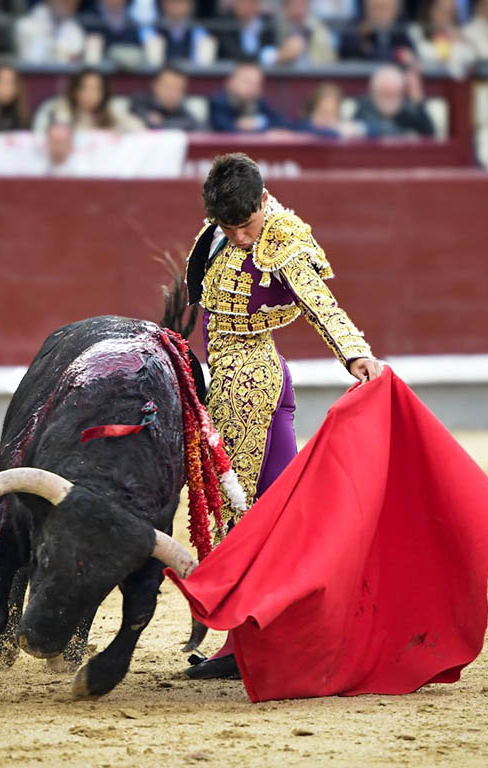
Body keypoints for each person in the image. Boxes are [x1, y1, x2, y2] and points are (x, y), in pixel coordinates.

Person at [181, 153, 385, 679]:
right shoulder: (217, 233)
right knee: (279, 517)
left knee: (239, 516)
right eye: (229, 226)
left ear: (263, 202)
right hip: (244, 378)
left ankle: (239, 648)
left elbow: (322, 302)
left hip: (247, 384)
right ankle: (284, 637)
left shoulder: (284, 240)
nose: (241, 237)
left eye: (245, 225)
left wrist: (355, 353)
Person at [32, 68, 144, 132]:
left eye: (96, 89)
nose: (90, 94)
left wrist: (119, 115)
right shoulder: (59, 109)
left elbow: (140, 132)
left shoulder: (113, 110)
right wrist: (63, 113)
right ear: (75, 91)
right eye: (85, 88)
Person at [354, 64, 435, 138]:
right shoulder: (365, 107)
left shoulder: (410, 110)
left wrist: (418, 105)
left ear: (401, 92)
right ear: (374, 92)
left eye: (394, 93)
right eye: (384, 93)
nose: (389, 98)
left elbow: (430, 136)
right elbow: (359, 130)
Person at [208, 59, 288, 133]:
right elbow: (227, 131)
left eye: (257, 84)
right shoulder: (219, 102)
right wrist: (264, 131)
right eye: (247, 82)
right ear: (230, 82)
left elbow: (282, 123)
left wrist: (257, 123)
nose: (252, 88)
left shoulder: (258, 101)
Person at [128, 65, 203, 130]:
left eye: (178, 88)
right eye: (168, 87)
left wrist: (162, 123)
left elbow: (198, 127)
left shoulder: (184, 112)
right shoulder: (139, 103)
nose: (172, 93)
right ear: (155, 85)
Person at [338, 0, 416, 63]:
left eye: (386, 8)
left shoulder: (400, 28)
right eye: (376, 8)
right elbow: (348, 50)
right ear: (366, 8)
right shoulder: (356, 27)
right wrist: (397, 54)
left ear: (396, 10)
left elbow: (411, 55)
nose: (381, 13)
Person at [15, 0, 85, 63]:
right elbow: (33, 59)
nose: (70, 5)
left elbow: (74, 60)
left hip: (64, 76)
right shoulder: (26, 26)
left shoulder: (75, 30)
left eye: (74, 2)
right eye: (65, 1)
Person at [411, 0, 475, 67]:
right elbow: (423, 57)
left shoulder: (459, 34)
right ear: (429, 10)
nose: (446, 18)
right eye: (442, 11)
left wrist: (459, 43)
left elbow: (470, 59)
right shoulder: (415, 32)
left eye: (450, 13)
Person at [274, 0, 338, 66]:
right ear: (285, 7)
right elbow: (267, 57)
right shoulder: (274, 29)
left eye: (302, 5)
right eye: (293, 5)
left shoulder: (319, 31)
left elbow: (329, 62)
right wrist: (283, 55)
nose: (298, 10)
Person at [214, 0, 279, 63]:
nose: (249, 7)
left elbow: (271, 48)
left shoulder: (267, 21)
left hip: (263, 71)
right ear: (235, 4)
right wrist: (265, 57)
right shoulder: (225, 23)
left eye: (253, 2)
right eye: (245, 2)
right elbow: (232, 53)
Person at [296, 81, 366, 138]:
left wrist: (356, 129)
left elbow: (372, 131)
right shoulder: (303, 126)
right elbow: (312, 132)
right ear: (313, 110)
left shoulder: (343, 126)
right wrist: (338, 132)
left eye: (331, 113)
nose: (326, 118)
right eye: (323, 112)